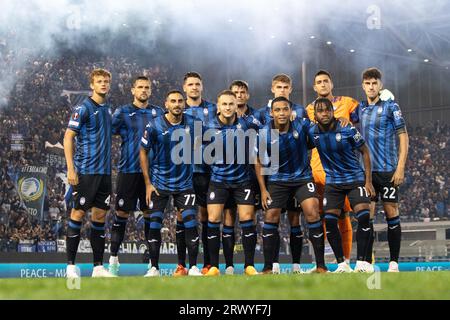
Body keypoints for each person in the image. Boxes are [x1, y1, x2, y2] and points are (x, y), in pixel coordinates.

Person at [255, 96, 327, 274]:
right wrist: (263, 190)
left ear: (290, 111)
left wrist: (337, 120)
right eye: (277, 110)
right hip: (277, 180)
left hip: (302, 178)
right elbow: (258, 161)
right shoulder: (264, 133)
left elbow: (319, 132)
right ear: (271, 113)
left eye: (285, 109)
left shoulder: (302, 125)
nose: (281, 113)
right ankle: (267, 267)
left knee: (312, 211)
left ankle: (321, 266)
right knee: (270, 217)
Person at [351, 68, 409, 272]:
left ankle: (394, 263)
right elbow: (344, 119)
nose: (371, 86)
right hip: (366, 172)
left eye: (374, 83)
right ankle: (366, 262)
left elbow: (403, 136)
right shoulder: (359, 109)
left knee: (392, 212)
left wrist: (400, 167)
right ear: (363, 86)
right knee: (366, 216)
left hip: (388, 170)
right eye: (367, 83)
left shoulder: (391, 107)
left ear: (380, 85)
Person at [308, 98, 375, 273]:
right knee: (329, 221)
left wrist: (368, 181)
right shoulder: (312, 132)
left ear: (333, 111)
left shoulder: (347, 128)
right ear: (315, 115)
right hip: (333, 183)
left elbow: (365, 151)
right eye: (320, 110)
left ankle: (361, 263)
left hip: (354, 179)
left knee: (363, 217)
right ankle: (342, 264)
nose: (324, 113)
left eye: (327, 110)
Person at [139, 90, 201, 277]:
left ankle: (193, 267)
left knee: (191, 223)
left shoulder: (193, 123)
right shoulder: (154, 126)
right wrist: (148, 183)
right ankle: (154, 268)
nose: (177, 104)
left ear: (184, 104)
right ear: (166, 104)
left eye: (180, 101)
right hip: (159, 184)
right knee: (155, 224)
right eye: (173, 101)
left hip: (185, 184)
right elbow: (143, 151)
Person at [108, 76, 165, 276]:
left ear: (150, 91)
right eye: (140, 87)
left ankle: (152, 263)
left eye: (147, 87)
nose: (143, 90)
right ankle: (113, 259)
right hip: (128, 171)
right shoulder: (122, 112)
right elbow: (108, 132)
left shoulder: (159, 113)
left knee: (151, 215)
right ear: (133, 90)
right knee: (122, 213)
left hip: (153, 173)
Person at [63, 68, 115, 278]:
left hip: (104, 173)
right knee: (77, 214)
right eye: (99, 81)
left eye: (106, 81)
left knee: (100, 217)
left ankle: (98, 267)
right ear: (92, 85)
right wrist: (70, 168)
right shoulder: (83, 108)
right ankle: (70, 266)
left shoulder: (109, 109)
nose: (103, 84)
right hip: (85, 171)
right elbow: (68, 137)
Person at [204, 90, 261, 276]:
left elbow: (270, 126)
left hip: (242, 181)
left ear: (236, 106)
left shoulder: (248, 124)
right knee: (213, 220)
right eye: (224, 104)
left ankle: (249, 266)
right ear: (218, 106)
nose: (228, 107)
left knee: (247, 219)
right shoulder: (208, 126)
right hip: (218, 181)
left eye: (231, 104)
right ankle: (214, 266)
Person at [305, 70, 359, 264]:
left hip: (341, 171)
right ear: (314, 87)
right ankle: (322, 262)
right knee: (319, 217)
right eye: (318, 82)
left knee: (344, 216)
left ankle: (345, 260)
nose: (322, 84)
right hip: (317, 170)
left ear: (331, 84)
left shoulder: (348, 103)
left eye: (326, 81)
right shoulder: (309, 109)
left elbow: (364, 121)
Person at [254, 73, 306, 274]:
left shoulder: (299, 111)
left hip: (295, 173)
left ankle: (296, 265)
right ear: (272, 89)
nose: (282, 90)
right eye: (279, 87)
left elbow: (307, 138)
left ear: (290, 90)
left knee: (295, 219)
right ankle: (272, 265)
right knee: (271, 216)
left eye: (286, 87)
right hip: (271, 175)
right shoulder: (260, 114)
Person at [182, 72, 217, 275]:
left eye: (197, 84)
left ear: (201, 87)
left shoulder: (212, 108)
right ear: (185, 87)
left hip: (206, 171)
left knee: (206, 216)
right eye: (191, 84)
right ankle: (184, 264)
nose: (194, 87)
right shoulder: (176, 107)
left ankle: (207, 264)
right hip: (183, 172)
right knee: (184, 217)